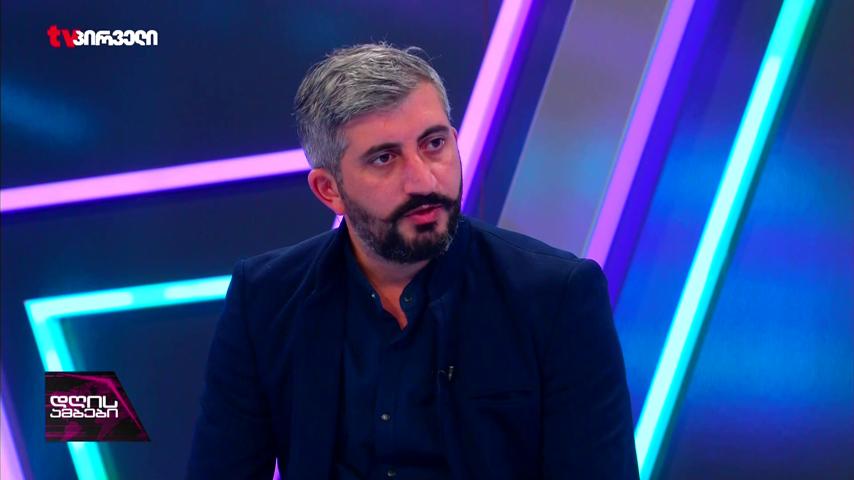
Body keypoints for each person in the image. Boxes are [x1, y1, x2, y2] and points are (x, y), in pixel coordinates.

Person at [187, 42, 639, 479]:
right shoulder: (265, 298)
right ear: (329, 190)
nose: (423, 181)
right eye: (385, 158)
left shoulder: (556, 297)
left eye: (434, 144)